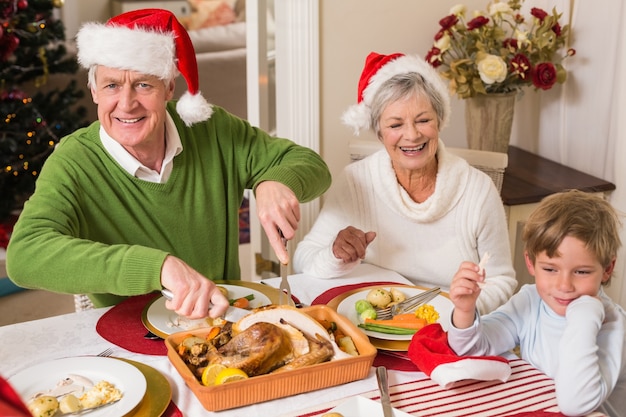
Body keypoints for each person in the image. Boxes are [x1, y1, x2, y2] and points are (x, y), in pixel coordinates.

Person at [5, 9, 331, 319]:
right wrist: (158, 267)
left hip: (222, 324)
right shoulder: (75, 161)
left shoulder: (211, 128)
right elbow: (25, 257)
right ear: (94, 91)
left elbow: (313, 166)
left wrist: (274, 180)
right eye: (112, 85)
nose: (127, 103)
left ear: (170, 88)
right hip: (128, 339)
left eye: (144, 84)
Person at [293, 52, 516, 314]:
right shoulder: (356, 181)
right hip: (372, 325)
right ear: (379, 132)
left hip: (448, 327)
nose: (411, 135)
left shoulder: (477, 190)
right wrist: (335, 255)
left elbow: (501, 281)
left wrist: (457, 313)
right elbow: (302, 259)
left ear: (440, 121)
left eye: (423, 120)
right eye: (396, 124)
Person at [447, 190, 626, 416]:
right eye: (550, 269)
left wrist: (584, 317)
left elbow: (576, 404)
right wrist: (465, 310)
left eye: (581, 272)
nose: (564, 285)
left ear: (607, 269)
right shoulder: (531, 300)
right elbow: (471, 349)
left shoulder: (612, 326)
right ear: (530, 263)